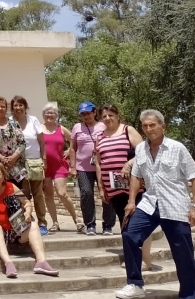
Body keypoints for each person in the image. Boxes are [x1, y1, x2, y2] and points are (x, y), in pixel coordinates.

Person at [116, 110, 195, 299]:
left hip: (175, 205)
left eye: (152, 125)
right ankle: (135, 285)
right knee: (130, 235)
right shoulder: (140, 149)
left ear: (163, 127)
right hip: (149, 203)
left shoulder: (177, 148)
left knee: (183, 253)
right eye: (145, 126)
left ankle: (189, 295)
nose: (148, 129)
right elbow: (136, 176)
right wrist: (131, 202)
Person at [0, 161, 58, 278]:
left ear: (4, 175)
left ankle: (41, 262)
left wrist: (28, 213)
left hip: (12, 230)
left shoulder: (11, 187)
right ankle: (8, 263)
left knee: (33, 225)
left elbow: (27, 202)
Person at [95, 104, 152, 270]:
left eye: (110, 115)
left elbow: (144, 151)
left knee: (140, 221)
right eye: (104, 116)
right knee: (124, 221)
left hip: (135, 184)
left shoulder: (128, 130)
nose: (107, 118)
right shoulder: (99, 136)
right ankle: (131, 258)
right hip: (112, 186)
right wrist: (101, 187)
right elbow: (98, 163)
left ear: (118, 115)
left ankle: (145, 259)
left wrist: (129, 163)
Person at [70, 101, 115, 235]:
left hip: (103, 166)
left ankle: (108, 225)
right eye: (83, 114)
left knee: (107, 194)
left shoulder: (103, 125)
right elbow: (72, 148)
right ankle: (90, 224)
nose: (86, 116)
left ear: (94, 112)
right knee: (86, 194)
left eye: (88, 113)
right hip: (82, 167)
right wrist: (72, 167)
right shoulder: (77, 127)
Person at [10, 96, 49, 235]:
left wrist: (44, 158)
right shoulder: (10, 122)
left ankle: (42, 222)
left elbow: (42, 141)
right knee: (23, 194)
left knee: (38, 194)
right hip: (18, 164)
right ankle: (27, 220)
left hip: (34, 162)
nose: (18, 108)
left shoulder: (33, 120)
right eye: (15, 105)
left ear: (25, 107)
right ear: (12, 107)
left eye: (21, 105)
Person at [41, 102, 82, 233]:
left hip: (59, 165)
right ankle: (55, 223)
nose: (49, 115)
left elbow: (74, 140)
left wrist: (69, 150)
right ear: (43, 115)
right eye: (47, 112)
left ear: (56, 115)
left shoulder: (61, 128)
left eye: (52, 113)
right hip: (44, 166)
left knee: (62, 193)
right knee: (48, 195)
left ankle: (76, 220)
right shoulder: (39, 129)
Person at [0, 96, 26, 188]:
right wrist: (1, 158)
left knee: (17, 195)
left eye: (3, 107)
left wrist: (13, 157)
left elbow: (22, 143)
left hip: (16, 167)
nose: (0, 109)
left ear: (6, 108)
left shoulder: (14, 123)